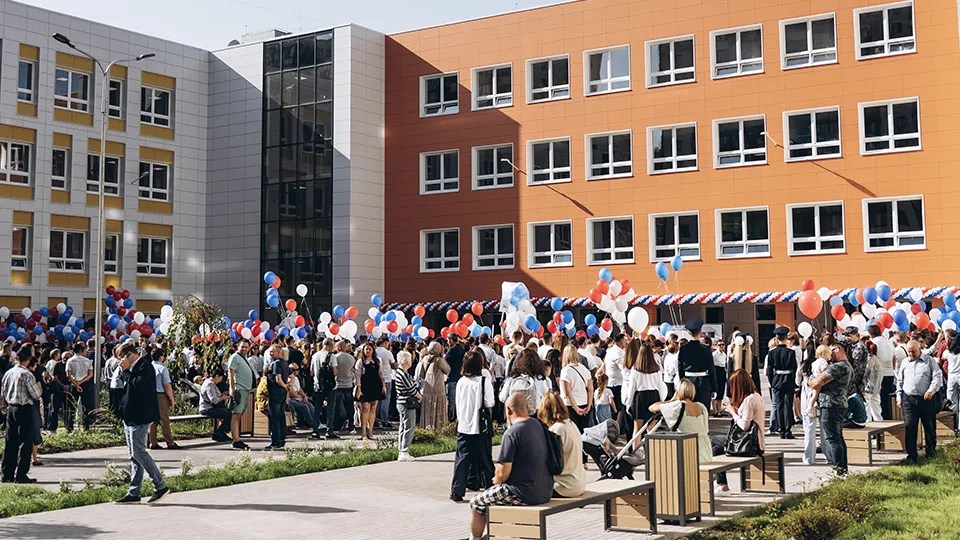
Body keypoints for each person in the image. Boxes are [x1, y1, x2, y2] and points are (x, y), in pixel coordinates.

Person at [467, 393, 553, 540]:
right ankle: (494, 533)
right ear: (526, 408)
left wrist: (496, 479)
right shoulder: (537, 425)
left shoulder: (512, 433)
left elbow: (502, 474)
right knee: (494, 498)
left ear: (508, 410)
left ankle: (475, 538)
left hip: (522, 493)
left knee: (476, 503)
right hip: (545, 489)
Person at [112, 341, 169, 504]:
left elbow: (138, 386)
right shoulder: (130, 368)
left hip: (141, 415)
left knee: (139, 452)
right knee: (133, 455)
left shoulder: (145, 366)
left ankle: (160, 485)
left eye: (121, 357)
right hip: (129, 414)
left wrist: (125, 373)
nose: (120, 361)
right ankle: (134, 492)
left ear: (130, 355)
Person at [451, 351, 495, 501]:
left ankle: (457, 490)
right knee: (485, 458)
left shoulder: (461, 382)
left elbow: (457, 402)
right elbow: (490, 402)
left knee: (462, 459)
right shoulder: (483, 381)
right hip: (480, 426)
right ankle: (491, 488)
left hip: (463, 424)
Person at [713, 369, 764, 493]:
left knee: (714, 440)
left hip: (750, 443)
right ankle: (721, 482)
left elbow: (744, 426)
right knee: (715, 449)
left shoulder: (749, 400)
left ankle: (721, 482)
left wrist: (732, 413)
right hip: (757, 441)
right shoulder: (756, 396)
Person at [808, 344, 853, 476]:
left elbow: (816, 383)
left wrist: (809, 381)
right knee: (838, 438)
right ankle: (843, 469)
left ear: (837, 350)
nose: (829, 354)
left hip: (830, 405)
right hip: (840, 404)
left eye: (831, 350)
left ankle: (838, 469)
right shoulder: (848, 365)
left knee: (833, 439)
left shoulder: (838, 367)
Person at [896, 339, 943, 464]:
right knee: (910, 427)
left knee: (929, 427)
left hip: (925, 399)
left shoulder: (929, 361)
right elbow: (900, 381)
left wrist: (931, 391)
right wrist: (899, 397)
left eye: (914, 352)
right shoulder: (905, 362)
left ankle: (931, 453)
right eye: (909, 352)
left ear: (920, 349)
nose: (911, 354)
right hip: (909, 399)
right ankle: (912, 456)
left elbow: (937, 377)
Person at [1, 348, 42, 483]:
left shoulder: (8, 373)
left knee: (10, 441)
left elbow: (3, 393)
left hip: (11, 408)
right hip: (25, 408)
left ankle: (7, 474)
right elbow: (36, 395)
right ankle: (21, 475)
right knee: (25, 442)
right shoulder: (27, 374)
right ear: (28, 360)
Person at [649, 379, 712, 464]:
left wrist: (672, 399)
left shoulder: (677, 405)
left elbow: (652, 407)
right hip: (705, 451)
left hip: (689, 450)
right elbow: (706, 430)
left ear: (678, 391)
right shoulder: (701, 407)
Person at [537, 391, 584, 498]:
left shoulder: (556, 430)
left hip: (564, 486)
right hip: (579, 482)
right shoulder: (571, 424)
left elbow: (551, 464)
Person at [622, 340, 667, 439]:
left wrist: (628, 404)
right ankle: (651, 451)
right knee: (651, 429)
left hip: (640, 397)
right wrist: (662, 401)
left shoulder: (636, 369)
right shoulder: (656, 369)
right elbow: (661, 386)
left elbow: (632, 388)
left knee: (637, 429)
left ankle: (635, 452)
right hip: (653, 396)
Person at [678, 318, 718, 414]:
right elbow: (711, 370)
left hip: (688, 382)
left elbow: (680, 369)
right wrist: (714, 388)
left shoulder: (683, 349)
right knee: (703, 412)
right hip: (703, 383)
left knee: (688, 413)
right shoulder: (705, 349)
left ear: (688, 333)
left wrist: (681, 383)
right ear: (700, 332)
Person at [766, 327, 797, 439]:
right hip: (788, 379)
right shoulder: (791, 352)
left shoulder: (772, 352)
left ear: (777, 338)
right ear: (785, 338)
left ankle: (781, 430)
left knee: (779, 405)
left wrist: (771, 381)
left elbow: (769, 370)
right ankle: (788, 430)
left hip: (777, 379)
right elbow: (794, 368)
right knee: (788, 406)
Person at [145, 348, 178, 450]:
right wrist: (171, 399)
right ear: (161, 357)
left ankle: (152, 442)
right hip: (160, 395)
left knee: (153, 420)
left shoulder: (148, 367)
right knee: (164, 419)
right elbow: (167, 385)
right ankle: (169, 442)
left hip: (149, 395)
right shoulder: (162, 369)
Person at [558, 345, 593, 434]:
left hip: (570, 406)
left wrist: (576, 408)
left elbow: (567, 393)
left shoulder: (565, 370)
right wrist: (589, 406)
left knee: (572, 433)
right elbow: (590, 389)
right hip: (584, 404)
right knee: (584, 433)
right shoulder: (584, 369)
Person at [226, 339, 254, 449]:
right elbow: (230, 374)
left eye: (246, 347)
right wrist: (232, 389)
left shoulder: (245, 358)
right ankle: (236, 440)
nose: (244, 349)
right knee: (236, 414)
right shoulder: (235, 357)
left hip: (246, 389)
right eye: (242, 346)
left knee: (240, 414)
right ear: (238, 346)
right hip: (239, 389)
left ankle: (237, 437)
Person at [416, 341, 450, 429]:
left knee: (428, 409)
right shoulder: (439, 360)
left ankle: (426, 426)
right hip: (438, 389)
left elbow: (421, 374)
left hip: (427, 388)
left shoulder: (425, 359)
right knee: (438, 408)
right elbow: (447, 370)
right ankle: (438, 427)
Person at [394, 351, 421, 461]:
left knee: (403, 426)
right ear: (406, 361)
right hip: (406, 402)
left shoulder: (401, 372)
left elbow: (414, 383)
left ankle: (402, 449)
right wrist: (419, 395)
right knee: (409, 427)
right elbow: (411, 387)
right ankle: (404, 451)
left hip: (401, 402)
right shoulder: (403, 374)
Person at [355, 342, 385, 441]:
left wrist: (383, 385)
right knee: (365, 408)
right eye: (366, 349)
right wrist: (358, 388)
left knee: (373, 408)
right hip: (365, 386)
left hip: (375, 385)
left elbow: (381, 373)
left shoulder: (377, 361)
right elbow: (357, 375)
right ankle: (363, 432)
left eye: (370, 349)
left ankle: (370, 431)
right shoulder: (360, 362)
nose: (368, 351)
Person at [868, 325, 896, 419]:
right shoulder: (889, 342)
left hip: (879, 373)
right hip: (890, 372)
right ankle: (888, 417)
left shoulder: (873, 342)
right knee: (887, 398)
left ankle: (881, 418)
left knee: (877, 398)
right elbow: (894, 357)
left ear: (870, 334)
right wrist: (893, 368)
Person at [266, 344, 291, 450]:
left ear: (279, 352)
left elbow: (278, 378)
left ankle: (275, 440)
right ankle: (282, 438)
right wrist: (287, 386)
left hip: (275, 391)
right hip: (282, 393)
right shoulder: (285, 363)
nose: (270, 353)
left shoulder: (276, 363)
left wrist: (284, 386)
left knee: (274, 416)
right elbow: (291, 376)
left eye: (272, 351)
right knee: (281, 415)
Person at [287, 362, 322, 437]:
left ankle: (317, 423)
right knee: (304, 406)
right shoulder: (289, 379)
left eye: (297, 369)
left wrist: (304, 396)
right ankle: (312, 424)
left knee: (309, 404)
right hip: (290, 399)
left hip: (297, 397)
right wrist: (300, 397)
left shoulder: (296, 378)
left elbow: (299, 389)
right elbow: (291, 393)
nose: (295, 371)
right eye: (293, 370)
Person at [65, 343, 94, 431]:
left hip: (74, 383)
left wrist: (76, 384)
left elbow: (68, 375)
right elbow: (90, 374)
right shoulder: (87, 360)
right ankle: (86, 426)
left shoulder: (70, 361)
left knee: (72, 406)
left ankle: (70, 427)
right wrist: (81, 382)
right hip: (85, 383)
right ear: (81, 350)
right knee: (86, 406)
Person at [198, 369, 232, 441]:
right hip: (206, 409)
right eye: (220, 378)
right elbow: (214, 400)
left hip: (209, 407)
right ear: (217, 376)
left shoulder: (211, 384)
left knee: (227, 413)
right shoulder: (209, 384)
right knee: (228, 414)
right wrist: (223, 398)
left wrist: (222, 395)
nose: (220, 381)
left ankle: (222, 433)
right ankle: (219, 433)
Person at [604, 333, 627, 435]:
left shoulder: (616, 350)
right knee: (618, 408)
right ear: (620, 341)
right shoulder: (616, 352)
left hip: (616, 381)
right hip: (615, 383)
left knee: (619, 407)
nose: (626, 342)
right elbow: (622, 367)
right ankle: (616, 429)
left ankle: (617, 428)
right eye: (624, 340)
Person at [374, 337, 396, 429]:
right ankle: (384, 420)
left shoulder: (374, 351)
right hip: (386, 378)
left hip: (376, 379)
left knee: (376, 401)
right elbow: (394, 365)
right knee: (385, 400)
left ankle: (375, 419)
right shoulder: (387, 353)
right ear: (385, 343)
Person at [445, 334, 466, 422]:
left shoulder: (451, 350)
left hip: (452, 377)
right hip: (460, 377)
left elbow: (445, 361)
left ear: (450, 340)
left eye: (448, 340)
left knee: (452, 400)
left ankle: (451, 418)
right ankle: (458, 417)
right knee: (460, 399)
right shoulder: (462, 349)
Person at [863, 339, 883, 422]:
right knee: (877, 410)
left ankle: (869, 425)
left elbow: (865, 374)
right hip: (877, 387)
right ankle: (880, 427)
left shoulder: (868, 361)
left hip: (867, 387)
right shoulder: (878, 360)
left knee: (867, 409)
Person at [104, 347, 125, 419]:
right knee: (119, 402)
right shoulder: (119, 362)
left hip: (109, 381)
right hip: (118, 382)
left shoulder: (108, 361)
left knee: (112, 401)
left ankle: (112, 417)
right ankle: (118, 418)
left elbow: (105, 372)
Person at [942, 333, 960, 414]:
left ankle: (954, 423)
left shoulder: (948, 352)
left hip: (951, 377)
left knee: (952, 402)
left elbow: (942, 357)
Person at [710, 337, 728, 415]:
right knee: (715, 391)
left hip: (722, 370)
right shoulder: (714, 354)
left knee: (721, 391)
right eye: (720, 345)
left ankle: (719, 410)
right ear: (716, 346)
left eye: (723, 345)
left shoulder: (724, 354)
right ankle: (715, 410)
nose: (721, 346)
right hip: (716, 370)